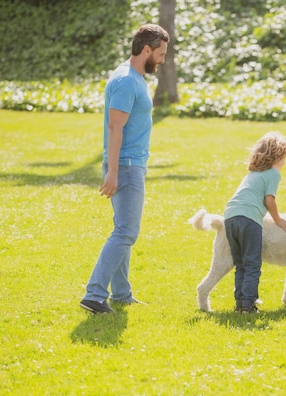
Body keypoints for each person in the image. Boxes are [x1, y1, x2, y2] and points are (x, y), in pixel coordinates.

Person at [80, 24, 170, 314]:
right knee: (126, 232)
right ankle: (94, 295)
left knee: (123, 230)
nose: (162, 59)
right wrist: (114, 172)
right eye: (160, 53)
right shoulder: (125, 81)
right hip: (126, 166)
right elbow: (114, 128)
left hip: (132, 164)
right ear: (146, 50)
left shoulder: (135, 77)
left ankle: (121, 293)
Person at [224, 132, 286, 314]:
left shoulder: (253, 173)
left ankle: (240, 304)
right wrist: (278, 220)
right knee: (252, 264)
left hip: (230, 216)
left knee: (240, 264)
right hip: (249, 219)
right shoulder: (273, 173)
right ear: (277, 156)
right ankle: (248, 306)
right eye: (284, 157)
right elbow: (269, 200)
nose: (284, 163)